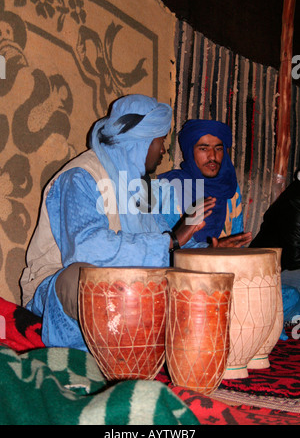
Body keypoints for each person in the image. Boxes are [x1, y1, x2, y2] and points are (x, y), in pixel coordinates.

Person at [20, 95, 215, 350]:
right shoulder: (79, 177)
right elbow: (86, 248)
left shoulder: (140, 186)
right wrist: (172, 240)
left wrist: (211, 254)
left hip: (128, 284)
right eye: (161, 141)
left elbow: (164, 244)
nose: (163, 150)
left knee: (204, 278)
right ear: (141, 142)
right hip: (55, 289)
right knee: (85, 280)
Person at [159, 119, 252, 248]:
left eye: (218, 149)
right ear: (190, 152)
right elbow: (165, 245)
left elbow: (236, 239)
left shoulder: (229, 188)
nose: (213, 156)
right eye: (203, 149)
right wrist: (209, 250)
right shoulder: (169, 187)